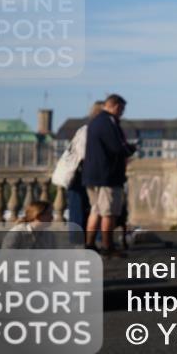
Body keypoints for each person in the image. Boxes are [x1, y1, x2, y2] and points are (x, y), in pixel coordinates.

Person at [83, 94, 136, 257]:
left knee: (95, 211)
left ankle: (90, 244)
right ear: (116, 106)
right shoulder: (109, 122)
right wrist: (130, 149)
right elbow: (116, 147)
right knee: (109, 213)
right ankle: (108, 246)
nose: (122, 113)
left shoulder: (95, 122)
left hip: (92, 175)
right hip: (107, 175)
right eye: (122, 110)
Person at [62, 101, 104, 242]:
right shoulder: (87, 131)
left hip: (85, 174)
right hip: (80, 175)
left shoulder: (88, 130)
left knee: (88, 208)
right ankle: (82, 240)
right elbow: (83, 154)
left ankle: (88, 239)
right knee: (81, 209)